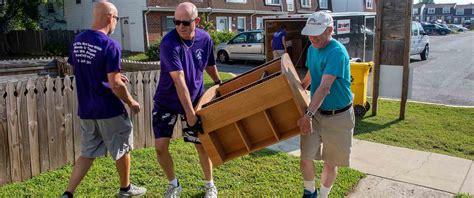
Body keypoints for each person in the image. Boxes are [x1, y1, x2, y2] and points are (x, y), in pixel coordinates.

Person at [61, 2, 146, 198]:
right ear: (110, 17)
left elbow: (84, 71)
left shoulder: (78, 41)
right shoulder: (110, 44)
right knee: (122, 148)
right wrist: (131, 101)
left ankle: (67, 194)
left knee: (87, 152)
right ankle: (125, 189)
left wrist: (110, 78)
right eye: (116, 18)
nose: (116, 22)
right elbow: (115, 85)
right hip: (109, 109)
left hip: (87, 110)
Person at [152, 2, 221, 198]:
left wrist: (218, 82)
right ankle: (174, 185)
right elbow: (179, 81)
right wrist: (190, 115)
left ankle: (210, 185)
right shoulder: (168, 43)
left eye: (185, 22)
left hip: (195, 98)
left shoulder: (205, 39)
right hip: (167, 100)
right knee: (160, 147)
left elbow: (209, 64)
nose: (180, 26)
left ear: (196, 21)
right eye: (176, 22)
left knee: (202, 145)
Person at [297, 11, 355, 198]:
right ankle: (309, 192)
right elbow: (313, 72)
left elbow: (324, 87)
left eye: (317, 32)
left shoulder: (337, 52)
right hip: (317, 113)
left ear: (330, 30)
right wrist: (301, 86)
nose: (312, 37)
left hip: (339, 116)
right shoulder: (313, 48)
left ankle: (323, 196)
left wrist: (307, 116)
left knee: (331, 162)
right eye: (310, 33)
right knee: (306, 157)